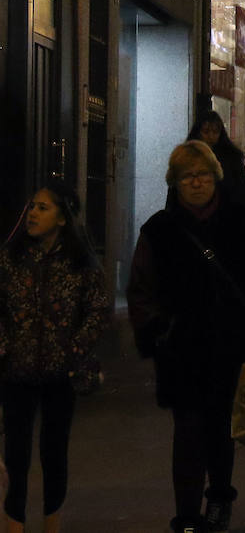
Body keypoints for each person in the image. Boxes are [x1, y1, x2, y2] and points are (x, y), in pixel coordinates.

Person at [128, 141, 245, 533]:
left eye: (202, 175)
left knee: (220, 427)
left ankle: (219, 497)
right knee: (188, 430)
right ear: (175, 183)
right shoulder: (159, 230)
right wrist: (156, 331)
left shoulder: (242, 223)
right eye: (187, 176)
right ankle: (188, 514)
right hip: (181, 347)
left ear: (216, 177)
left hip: (230, 342)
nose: (196, 183)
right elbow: (141, 286)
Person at [1, 183, 109, 533]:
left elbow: (97, 309)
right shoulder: (12, 257)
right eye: (32, 206)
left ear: (62, 217)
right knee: (16, 452)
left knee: (54, 449)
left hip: (60, 372)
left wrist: (75, 348)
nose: (33, 213)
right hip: (16, 370)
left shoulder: (80, 263)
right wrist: (4, 344)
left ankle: (52, 519)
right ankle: (14, 519)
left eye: (43, 208)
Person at [187, 110, 245, 214]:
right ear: (198, 132)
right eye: (206, 131)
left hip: (227, 215)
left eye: (215, 132)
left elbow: (244, 193)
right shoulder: (186, 157)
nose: (211, 136)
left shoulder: (232, 158)